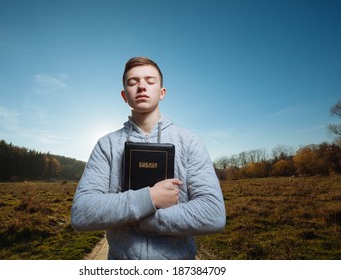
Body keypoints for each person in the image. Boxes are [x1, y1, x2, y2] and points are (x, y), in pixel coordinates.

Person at [71, 57, 226, 260]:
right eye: (133, 82)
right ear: (124, 96)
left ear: (162, 93)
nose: (142, 86)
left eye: (150, 81)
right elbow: (82, 213)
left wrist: (143, 219)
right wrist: (150, 198)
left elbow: (213, 215)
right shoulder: (106, 145)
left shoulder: (190, 141)